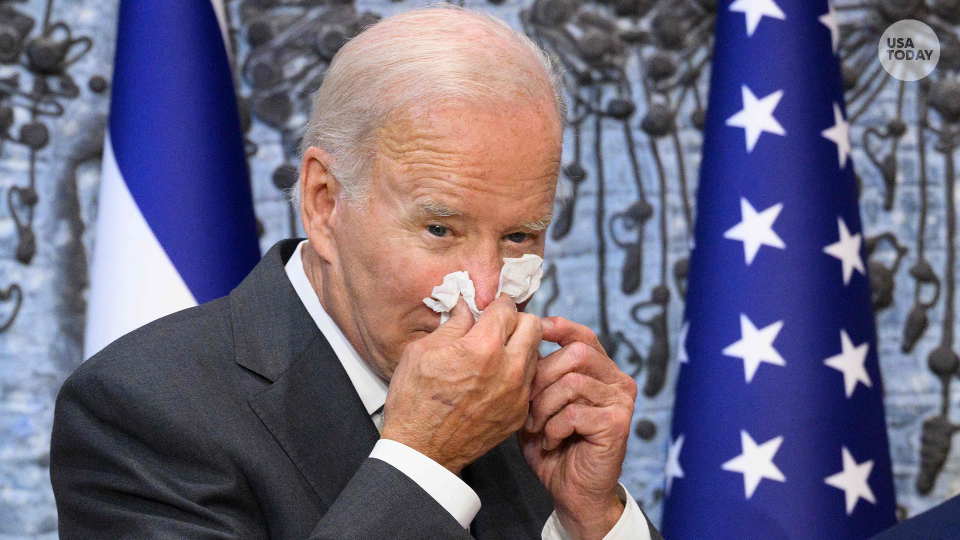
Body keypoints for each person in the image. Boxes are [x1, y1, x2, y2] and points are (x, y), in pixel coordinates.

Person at [50, 6, 663, 539]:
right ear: (323, 201)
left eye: (519, 236)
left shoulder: (522, 409)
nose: (482, 294)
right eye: (440, 229)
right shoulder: (141, 411)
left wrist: (595, 520)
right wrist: (425, 458)